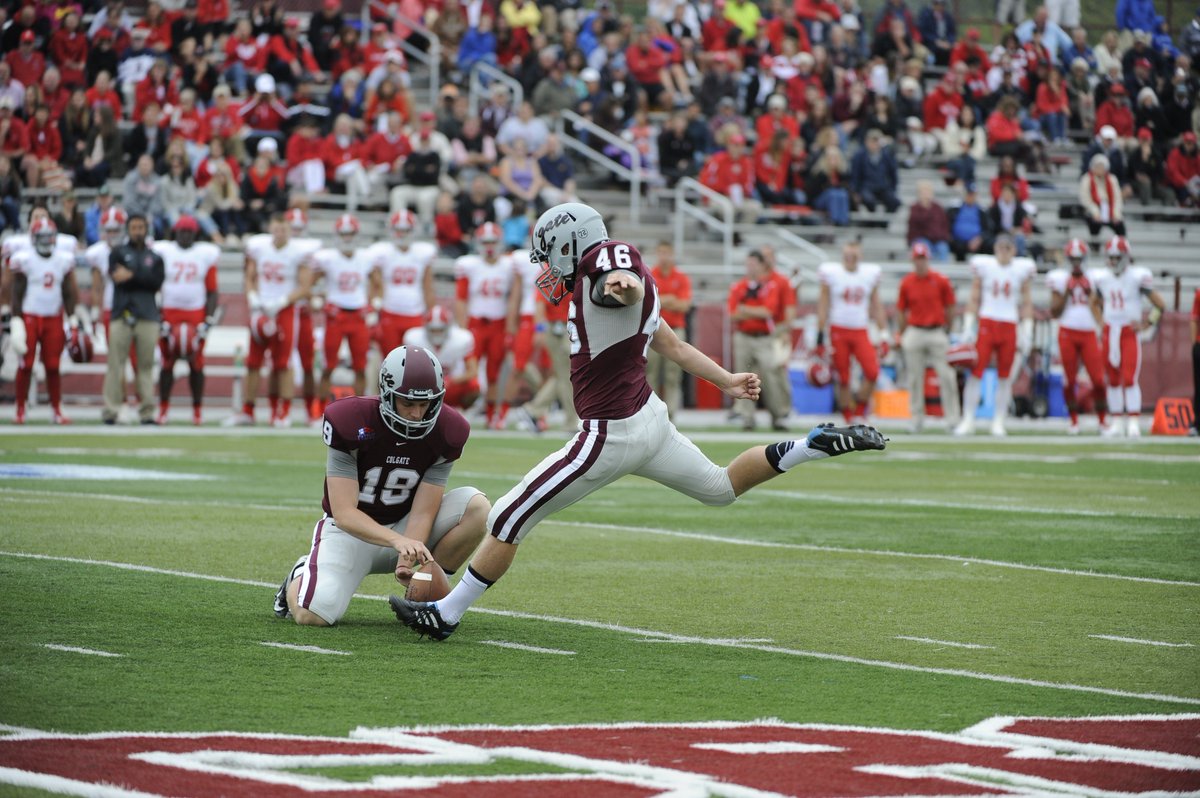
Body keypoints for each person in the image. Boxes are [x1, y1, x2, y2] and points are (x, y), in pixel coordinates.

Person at [390, 202, 887, 641]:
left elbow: (618, 277)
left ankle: (446, 615)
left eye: (548, 254)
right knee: (720, 487)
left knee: (508, 515)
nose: (546, 267)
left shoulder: (605, 267)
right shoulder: (612, 279)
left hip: (610, 433)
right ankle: (812, 446)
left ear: (572, 245)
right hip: (650, 420)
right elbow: (674, 345)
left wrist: (617, 283)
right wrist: (728, 380)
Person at [272, 345, 491, 627]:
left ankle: (425, 591)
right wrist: (398, 542)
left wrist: (406, 556)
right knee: (313, 615)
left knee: (478, 508)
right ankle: (301, 573)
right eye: (408, 403)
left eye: (424, 405)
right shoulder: (350, 421)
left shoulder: (448, 430)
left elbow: (424, 510)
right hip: (350, 533)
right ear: (387, 395)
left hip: (404, 525)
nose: (416, 414)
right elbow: (344, 512)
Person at [227, 212, 314, 428]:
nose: (280, 233)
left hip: (284, 310)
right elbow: (250, 276)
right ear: (271, 229)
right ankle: (248, 409)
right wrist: (253, 297)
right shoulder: (260, 247)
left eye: (283, 229)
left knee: (283, 362)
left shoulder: (298, 252)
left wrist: (283, 300)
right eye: (276, 229)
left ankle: (282, 411)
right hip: (261, 308)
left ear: (289, 230)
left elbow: (305, 287)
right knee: (253, 361)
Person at [954, 234, 1035, 437]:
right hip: (987, 322)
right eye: (1000, 247)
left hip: (1009, 324)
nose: (1004, 251)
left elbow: (1026, 302)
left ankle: (998, 420)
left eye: (1008, 247)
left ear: (1014, 250)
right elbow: (974, 297)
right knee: (975, 373)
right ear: (995, 248)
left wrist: (1027, 330)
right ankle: (968, 418)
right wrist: (968, 326)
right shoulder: (985, 267)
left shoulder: (1021, 270)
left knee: (1005, 377)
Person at [1091, 236, 1166, 438]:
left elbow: (1160, 304)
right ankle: (1116, 421)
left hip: (1128, 333)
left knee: (1129, 378)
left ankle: (1133, 420)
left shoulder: (1137, 276)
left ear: (1126, 257)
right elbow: (1094, 302)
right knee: (1113, 379)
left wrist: (1146, 324)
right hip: (1110, 331)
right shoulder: (1102, 277)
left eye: (1117, 257)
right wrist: (1100, 323)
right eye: (1111, 257)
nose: (1113, 262)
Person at [8, 219, 79, 425]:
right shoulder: (25, 259)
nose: (46, 241)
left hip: (53, 317)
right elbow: (17, 293)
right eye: (42, 237)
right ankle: (20, 408)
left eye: (49, 236)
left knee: (53, 365)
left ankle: (56, 409)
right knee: (26, 364)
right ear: (33, 238)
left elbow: (67, 292)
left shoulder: (63, 260)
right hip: (30, 317)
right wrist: (16, 320)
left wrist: (72, 318)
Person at [151, 216, 220, 426]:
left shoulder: (204, 254)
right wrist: (158, 316)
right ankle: (163, 409)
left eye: (189, 232)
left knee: (196, 363)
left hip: (195, 313)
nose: (185, 236)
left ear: (195, 234)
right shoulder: (164, 251)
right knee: (167, 362)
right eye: (182, 231)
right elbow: (154, 285)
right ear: (175, 233)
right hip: (169, 313)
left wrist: (208, 319)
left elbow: (212, 291)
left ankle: (197, 410)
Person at [311, 214, 381, 409]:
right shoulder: (328, 258)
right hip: (336, 316)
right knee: (328, 366)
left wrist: (375, 303)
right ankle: (320, 407)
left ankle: (359, 409)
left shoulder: (366, 258)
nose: (347, 238)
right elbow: (310, 283)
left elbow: (378, 283)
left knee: (360, 367)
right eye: (344, 234)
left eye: (350, 234)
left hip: (358, 316)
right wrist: (319, 300)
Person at [453, 222, 520, 428]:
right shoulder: (470, 265)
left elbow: (514, 296)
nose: (489, 246)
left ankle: (492, 416)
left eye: (493, 241)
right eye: (485, 242)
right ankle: (459, 412)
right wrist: (462, 328)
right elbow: (461, 298)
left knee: (493, 373)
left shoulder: (509, 265)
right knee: (467, 370)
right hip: (475, 324)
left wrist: (510, 326)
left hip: (498, 324)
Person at [102, 214, 165, 426]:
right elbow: (117, 278)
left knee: (145, 365)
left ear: (146, 229)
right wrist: (141, 276)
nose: (137, 231)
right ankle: (111, 410)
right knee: (115, 364)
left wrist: (132, 275)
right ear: (128, 229)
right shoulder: (118, 252)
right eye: (134, 227)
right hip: (122, 313)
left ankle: (147, 411)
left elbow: (155, 282)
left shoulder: (155, 257)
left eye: (141, 227)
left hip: (148, 314)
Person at [817, 241, 887, 423]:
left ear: (860, 257)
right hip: (838, 328)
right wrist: (819, 334)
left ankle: (861, 410)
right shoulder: (832, 273)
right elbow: (823, 304)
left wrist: (884, 333)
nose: (850, 259)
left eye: (854, 256)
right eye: (847, 255)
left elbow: (876, 304)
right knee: (843, 376)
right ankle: (848, 415)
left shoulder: (869, 274)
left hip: (860, 329)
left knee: (872, 372)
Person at [1046, 238, 1108, 435]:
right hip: (1067, 331)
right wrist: (1068, 290)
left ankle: (1102, 420)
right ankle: (1073, 421)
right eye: (1072, 259)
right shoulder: (1060, 278)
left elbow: (1104, 306)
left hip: (1089, 332)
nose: (1076, 263)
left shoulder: (1096, 277)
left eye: (1079, 259)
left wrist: (1091, 291)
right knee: (1069, 380)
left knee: (1098, 380)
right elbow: (1054, 311)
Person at [897, 242, 959, 433]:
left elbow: (950, 307)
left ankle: (952, 419)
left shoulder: (940, 280)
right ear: (913, 260)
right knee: (915, 377)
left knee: (947, 376)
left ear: (928, 259)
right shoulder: (907, 282)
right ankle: (916, 418)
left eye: (923, 259)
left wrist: (948, 328)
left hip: (936, 330)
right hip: (915, 330)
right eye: (917, 259)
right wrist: (903, 333)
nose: (920, 263)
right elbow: (901, 310)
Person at [729, 250, 792, 431]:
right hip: (743, 336)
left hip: (764, 337)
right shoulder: (738, 286)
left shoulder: (770, 286)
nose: (750, 268)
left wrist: (745, 310)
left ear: (761, 265)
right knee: (743, 377)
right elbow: (733, 315)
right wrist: (755, 311)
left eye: (754, 264)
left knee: (771, 376)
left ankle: (778, 416)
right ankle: (747, 418)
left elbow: (768, 311)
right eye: (748, 264)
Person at [369, 210, 437, 356]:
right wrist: (372, 309)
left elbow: (428, 287)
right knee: (389, 360)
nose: (402, 234)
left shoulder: (422, 253)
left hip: (415, 312)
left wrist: (432, 312)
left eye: (406, 230)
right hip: (390, 312)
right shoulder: (382, 252)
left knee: (415, 360)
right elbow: (375, 285)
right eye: (398, 230)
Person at [646, 242, 691, 421]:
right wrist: (670, 299)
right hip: (652, 329)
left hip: (675, 329)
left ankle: (670, 414)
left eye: (667, 253)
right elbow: (648, 302)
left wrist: (661, 301)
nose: (664, 257)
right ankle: (652, 414)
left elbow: (684, 305)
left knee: (673, 374)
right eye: (661, 253)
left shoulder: (681, 278)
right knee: (652, 373)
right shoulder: (650, 274)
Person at [404, 306, 480, 412]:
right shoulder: (414, 338)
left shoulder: (462, 339)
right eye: (433, 330)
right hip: (423, 387)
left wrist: (450, 380)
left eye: (440, 330)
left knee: (474, 386)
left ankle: (459, 410)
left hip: (451, 386)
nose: (436, 333)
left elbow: (473, 371)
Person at [1080, 153, 1126, 238]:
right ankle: (1095, 247)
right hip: (1093, 210)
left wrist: (1116, 214)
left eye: (1102, 166)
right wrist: (1095, 212)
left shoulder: (1112, 179)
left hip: (1110, 209)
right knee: (1094, 224)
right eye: (1098, 166)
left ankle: (1121, 246)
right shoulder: (1087, 179)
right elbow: (1085, 199)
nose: (1100, 169)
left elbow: (1117, 199)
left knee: (1120, 225)